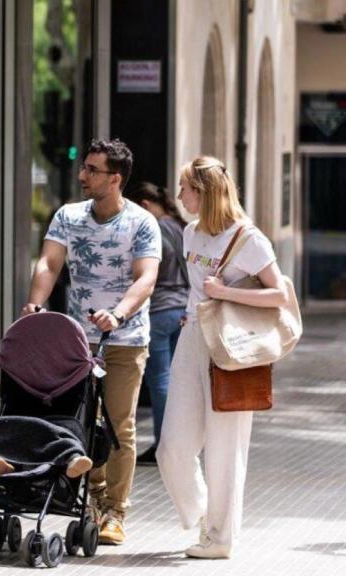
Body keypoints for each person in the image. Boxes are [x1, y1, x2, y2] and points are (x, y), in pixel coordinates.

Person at [21, 139, 161, 545]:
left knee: (119, 425)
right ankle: (93, 501)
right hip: (78, 341)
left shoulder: (141, 222)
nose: (82, 175)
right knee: (82, 422)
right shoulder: (68, 216)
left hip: (125, 340)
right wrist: (35, 304)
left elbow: (146, 278)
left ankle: (116, 511)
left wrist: (118, 314)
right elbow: (50, 262)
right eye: (83, 167)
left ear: (114, 179)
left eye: (92, 170)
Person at [157, 157, 289, 559]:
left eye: (185, 188)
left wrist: (225, 293)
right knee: (171, 447)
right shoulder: (190, 233)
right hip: (192, 337)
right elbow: (198, 289)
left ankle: (220, 538)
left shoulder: (249, 238)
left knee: (225, 449)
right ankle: (202, 514)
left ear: (204, 192)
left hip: (232, 348)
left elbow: (280, 295)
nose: (179, 195)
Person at [124, 182, 190, 465]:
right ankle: (180, 443)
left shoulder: (156, 229)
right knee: (176, 381)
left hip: (160, 311)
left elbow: (147, 272)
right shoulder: (180, 226)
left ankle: (164, 445)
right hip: (182, 309)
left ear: (145, 206)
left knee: (160, 381)